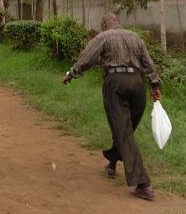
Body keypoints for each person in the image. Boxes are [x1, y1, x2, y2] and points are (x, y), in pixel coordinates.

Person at [62, 12, 161, 201]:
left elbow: (87, 58)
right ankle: (112, 161)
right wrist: (155, 85)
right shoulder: (135, 37)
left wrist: (71, 74)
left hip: (115, 84)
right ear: (118, 23)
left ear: (104, 24)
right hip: (137, 84)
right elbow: (148, 63)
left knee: (124, 132)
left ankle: (143, 184)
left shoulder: (103, 37)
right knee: (125, 129)